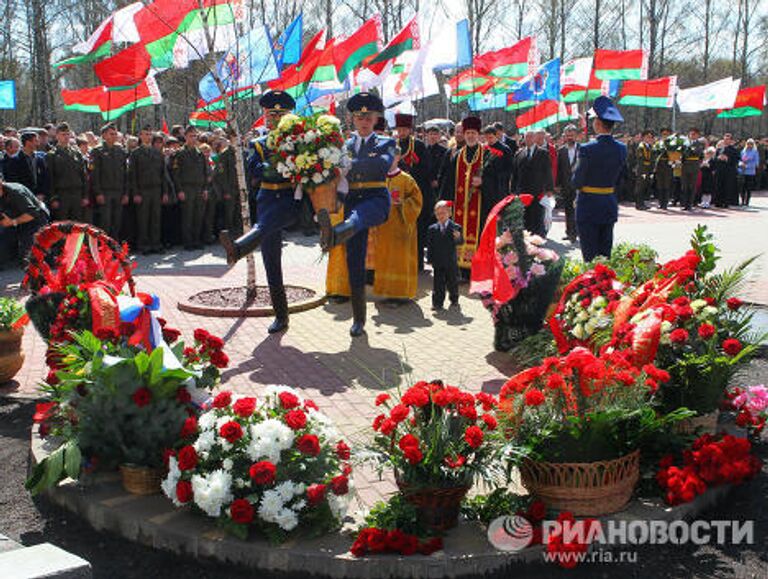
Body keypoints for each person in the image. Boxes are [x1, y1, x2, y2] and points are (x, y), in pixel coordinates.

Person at [220, 91, 299, 333]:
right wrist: (274, 168)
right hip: (266, 201)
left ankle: (240, 248)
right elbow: (255, 169)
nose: (273, 119)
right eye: (270, 114)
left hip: (287, 201)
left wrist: (275, 169)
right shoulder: (259, 143)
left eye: (278, 115)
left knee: (265, 228)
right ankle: (281, 315)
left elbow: (297, 169)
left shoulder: (299, 141)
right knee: (270, 261)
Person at [317, 92, 395, 337]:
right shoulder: (343, 145)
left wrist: (348, 164)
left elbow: (381, 166)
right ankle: (359, 319)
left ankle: (334, 235)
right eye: (359, 117)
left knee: (358, 218)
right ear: (352, 119)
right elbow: (334, 176)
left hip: (376, 200)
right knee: (354, 262)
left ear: (375, 119)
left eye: (368, 117)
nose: (364, 121)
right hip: (351, 201)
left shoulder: (386, 143)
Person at [572, 96, 627, 262]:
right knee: (605, 254)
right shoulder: (621, 149)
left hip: (588, 204)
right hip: (608, 202)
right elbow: (622, 178)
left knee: (589, 254)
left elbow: (577, 180)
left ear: (597, 123)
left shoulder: (587, 149)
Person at [439, 116, 492, 276]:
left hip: (480, 206)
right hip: (460, 208)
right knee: (458, 235)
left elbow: (497, 181)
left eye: (473, 132)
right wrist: (444, 204)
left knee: (479, 236)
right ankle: (460, 270)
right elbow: (448, 182)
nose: (469, 135)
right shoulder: (457, 155)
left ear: (478, 134)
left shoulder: (487, 155)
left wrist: (483, 183)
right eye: (467, 132)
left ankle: (477, 271)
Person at [372, 150, 423, 303]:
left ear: (398, 157)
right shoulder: (378, 179)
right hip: (383, 228)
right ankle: (386, 291)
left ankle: (401, 294)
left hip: (401, 227)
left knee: (400, 260)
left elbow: (417, 201)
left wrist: (403, 204)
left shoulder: (407, 179)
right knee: (385, 259)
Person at [394, 113, 431, 272]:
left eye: (404, 129)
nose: (401, 132)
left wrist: (413, 169)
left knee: (417, 227)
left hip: (415, 192)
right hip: (396, 192)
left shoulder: (419, 146)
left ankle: (417, 263)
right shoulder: (392, 144)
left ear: (409, 129)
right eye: (399, 129)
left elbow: (427, 169)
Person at [128, 125, 167, 254]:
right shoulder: (136, 153)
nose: (148, 137)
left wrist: (165, 192)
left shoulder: (157, 153)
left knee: (156, 218)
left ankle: (155, 244)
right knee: (143, 219)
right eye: (145, 134)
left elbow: (163, 174)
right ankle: (144, 245)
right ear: (140, 136)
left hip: (156, 189)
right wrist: (136, 193)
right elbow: (133, 175)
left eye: (150, 134)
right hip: (142, 190)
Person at [172, 125, 210, 250]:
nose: (193, 139)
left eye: (195, 136)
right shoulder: (180, 153)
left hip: (199, 188)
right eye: (191, 136)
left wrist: (205, 189)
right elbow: (176, 175)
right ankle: (188, 242)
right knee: (187, 217)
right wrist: (180, 190)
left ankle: (197, 240)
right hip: (187, 188)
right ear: (185, 137)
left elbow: (206, 173)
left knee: (198, 216)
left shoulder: (200, 154)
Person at [513, 130, 553, 237]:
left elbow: (548, 172)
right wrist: (513, 191)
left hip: (537, 191)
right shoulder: (519, 154)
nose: (528, 139)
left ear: (535, 138)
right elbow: (515, 174)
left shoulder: (543, 153)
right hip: (523, 191)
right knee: (524, 216)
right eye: (526, 137)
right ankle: (525, 240)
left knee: (537, 216)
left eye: (531, 137)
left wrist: (549, 189)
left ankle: (537, 239)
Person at [0, 176, 49, 264]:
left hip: (36, 218)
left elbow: (32, 214)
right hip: (16, 217)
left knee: (28, 255)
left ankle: (49, 260)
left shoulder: (16, 192)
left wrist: (12, 222)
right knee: (4, 241)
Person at [91, 122, 128, 239]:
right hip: (105, 192)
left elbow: (125, 173)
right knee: (105, 222)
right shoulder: (97, 151)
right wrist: (98, 193)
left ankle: (114, 248)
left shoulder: (121, 151)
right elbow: (94, 174)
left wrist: (126, 193)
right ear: (104, 135)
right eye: (111, 134)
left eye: (115, 134)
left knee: (117, 221)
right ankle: (104, 248)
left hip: (118, 191)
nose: (114, 136)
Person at [46, 122, 88, 222]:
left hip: (77, 193)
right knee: (62, 225)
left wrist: (85, 195)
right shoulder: (52, 154)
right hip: (62, 194)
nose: (66, 137)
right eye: (63, 134)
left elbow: (83, 175)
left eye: (68, 134)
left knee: (77, 225)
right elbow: (50, 178)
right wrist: (53, 198)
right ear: (57, 136)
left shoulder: (76, 152)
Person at [426, 200, 463, 311]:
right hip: (438, 261)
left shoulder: (455, 227)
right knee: (438, 283)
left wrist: (458, 237)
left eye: (443, 213)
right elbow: (430, 245)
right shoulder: (432, 229)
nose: (440, 216)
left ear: (449, 213)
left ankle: (454, 299)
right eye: (438, 214)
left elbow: (461, 242)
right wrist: (430, 258)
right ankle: (437, 303)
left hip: (450, 261)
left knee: (452, 282)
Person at [556, 124, 580, 241]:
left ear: (576, 136)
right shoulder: (561, 150)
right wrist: (557, 185)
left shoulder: (582, 149)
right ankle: (569, 232)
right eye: (568, 135)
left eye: (572, 135)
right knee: (568, 209)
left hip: (580, 186)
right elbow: (559, 169)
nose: (570, 137)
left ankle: (577, 232)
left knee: (579, 210)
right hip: (566, 185)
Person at [681, 128, 704, 211]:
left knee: (692, 186)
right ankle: (684, 204)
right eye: (691, 134)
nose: (692, 136)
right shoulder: (685, 144)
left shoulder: (699, 144)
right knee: (684, 186)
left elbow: (698, 154)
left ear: (698, 135)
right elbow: (682, 154)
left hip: (694, 166)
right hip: (685, 166)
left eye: (694, 134)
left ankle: (690, 204)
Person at [634, 130, 654, 210]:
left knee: (644, 186)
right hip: (642, 170)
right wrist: (644, 171)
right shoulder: (641, 147)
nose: (649, 139)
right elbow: (641, 160)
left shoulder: (649, 146)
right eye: (647, 137)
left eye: (650, 137)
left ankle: (642, 203)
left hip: (647, 169)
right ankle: (639, 204)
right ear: (643, 138)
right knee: (640, 187)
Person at [739, 138, 759, 206]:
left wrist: (747, 166)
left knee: (748, 188)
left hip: (750, 172)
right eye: (748, 143)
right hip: (743, 171)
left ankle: (747, 201)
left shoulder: (755, 152)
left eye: (751, 144)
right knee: (742, 187)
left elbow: (756, 162)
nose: (749, 145)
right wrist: (741, 164)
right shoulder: (743, 151)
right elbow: (739, 159)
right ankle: (742, 200)